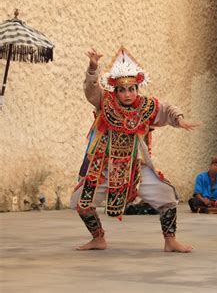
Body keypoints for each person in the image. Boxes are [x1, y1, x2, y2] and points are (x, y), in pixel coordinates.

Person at [70, 47, 199, 252]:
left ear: (138, 89)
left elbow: (166, 109)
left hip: (134, 169)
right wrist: (93, 68)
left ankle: (170, 241)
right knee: (80, 202)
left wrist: (179, 119)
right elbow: (91, 90)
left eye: (132, 89)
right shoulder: (105, 102)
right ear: (116, 90)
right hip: (105, 166)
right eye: (122, 89)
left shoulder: (146, 106)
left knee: (167, 195)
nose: (128, 94)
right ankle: (98, 238)